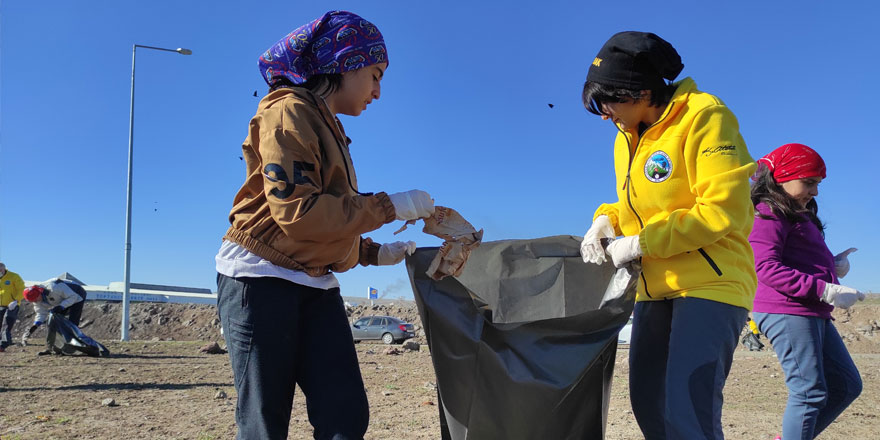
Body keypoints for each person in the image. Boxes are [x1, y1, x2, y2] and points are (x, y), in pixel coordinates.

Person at [215, 11, 434, 440]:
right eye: (375, 74)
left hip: (315, 283)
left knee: (344, 415)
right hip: (260, 279)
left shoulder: (326, 123)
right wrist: (392, 206)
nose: (378, 90)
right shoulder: (287, 111)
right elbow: (299, 215)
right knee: (265, 421)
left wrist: (370, 252)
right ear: (344, 62)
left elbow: (326, 219)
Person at [578, 31, 757, 439]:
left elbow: (721, 209)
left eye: (609, 101)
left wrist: (642, 243)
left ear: (643, 91)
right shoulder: (626, 138)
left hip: (710, 283)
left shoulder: (705, 116)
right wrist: (605, 220)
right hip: (653, 287)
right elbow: (637, 206)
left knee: (687, 414)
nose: (605, 114)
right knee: (649, 405)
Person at [749, 143, 863, 439]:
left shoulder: (800, 214)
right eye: (809, 182)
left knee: (847, 385)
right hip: (785, 310)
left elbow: (799, 258)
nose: (815, 191)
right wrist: (826, 289)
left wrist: (832, 265)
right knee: (809, 393)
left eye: (818, 184)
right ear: (781, 178)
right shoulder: (768, 212)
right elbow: (766, 268)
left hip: (810, 309)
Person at [22, 278, 87, 355]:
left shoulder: (54, 288)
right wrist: (35, 325)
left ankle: (72, 347)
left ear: (39, 293)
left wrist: (61, 306)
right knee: (53, 322)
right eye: (33, 301)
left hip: (77, 294)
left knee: (71, 323)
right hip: (62, 299)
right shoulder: (36, 299)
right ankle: (52, 348)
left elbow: (73, 297)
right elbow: (41, 313)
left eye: (36, 299)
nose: (35, 302)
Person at [0, 262, 25, 352]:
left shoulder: (14, 276)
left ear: (4, 269)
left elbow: (22, 289)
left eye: (1, 270)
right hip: (1, 305)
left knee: (6, 323)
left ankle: (2, 345)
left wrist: (16, 300)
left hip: (12, 305)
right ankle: (7, 341)